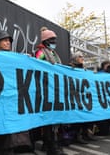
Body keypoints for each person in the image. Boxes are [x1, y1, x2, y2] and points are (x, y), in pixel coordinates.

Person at [33, 27, 67, 155]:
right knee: (49, 120)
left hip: (55, 90)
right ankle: (51, 146)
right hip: (45, 89)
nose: (54, 42)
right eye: (52, 39)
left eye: (55, 39)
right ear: (46, 41)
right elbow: (36, 66)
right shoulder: (40, 52)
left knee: (56, 119)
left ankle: (52, 144)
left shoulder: (54, 54)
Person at [68, 52, 97, 143]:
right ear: (75, 58)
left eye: (82, 57)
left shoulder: (84, 69)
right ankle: (77, 135)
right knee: (78, 117)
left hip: (84, 97)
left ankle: (85, 133)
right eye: (80, 57)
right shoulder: (69, 68)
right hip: (74, 96)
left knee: (86, 116)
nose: (82, 58)